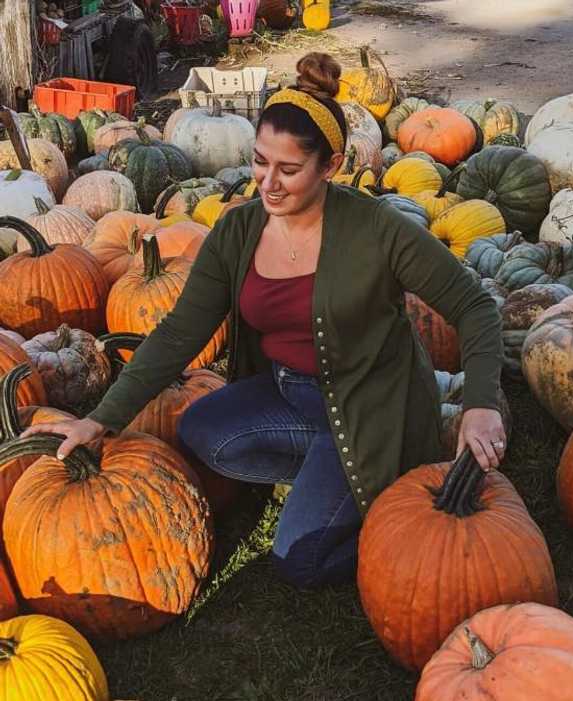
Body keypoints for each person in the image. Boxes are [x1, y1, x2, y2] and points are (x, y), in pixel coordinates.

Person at [22, 52, 506, 590]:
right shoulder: (238, 231)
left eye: (289, 169)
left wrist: (481, 404)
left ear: (332, 165)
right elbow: (181, 332)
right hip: (291, 394)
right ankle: (336, 473)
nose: (268, 184)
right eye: (260, 162)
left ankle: (380, 500)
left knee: (299, 561)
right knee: (201, 430)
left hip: (372, 407)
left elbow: (474, 306)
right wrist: (103, 418)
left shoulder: (378, 231)